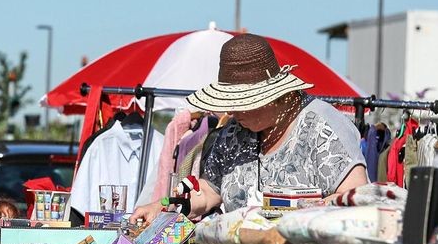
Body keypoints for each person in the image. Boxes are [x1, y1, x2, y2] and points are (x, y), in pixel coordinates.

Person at [130, 34, 368, 224]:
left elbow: (357, 198)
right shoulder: (233, 132)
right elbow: (208, 191)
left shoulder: (324, 127)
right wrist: (162, 206)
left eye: (240, 104)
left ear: (273, 97)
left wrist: (293, 213)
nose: (232, 112)